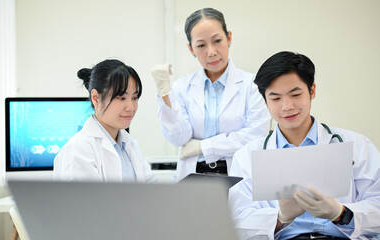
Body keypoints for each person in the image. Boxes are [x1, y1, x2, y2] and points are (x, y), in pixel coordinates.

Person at [228, 51, 380, 239]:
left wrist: (341, 213)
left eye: (295, 94)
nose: (287, 106)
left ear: (312, 90)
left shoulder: (358, 145)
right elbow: (238, 221)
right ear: (265, 101)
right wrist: (280, 218)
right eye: (276, 98)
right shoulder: (246, 157)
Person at [151, 8, 271, 180]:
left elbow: (255, 136)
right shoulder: (182, 87)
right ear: (191, 49)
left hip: (238, 176)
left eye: (217, 41)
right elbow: (179, 138)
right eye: (201, 45)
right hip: (193, 177)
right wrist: (164, 91)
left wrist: (203, 147)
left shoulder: (252, 85)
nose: (211, 52)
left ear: (229, 38)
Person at [53, 59, 156, 182]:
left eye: (134, 98)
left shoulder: (128, 144)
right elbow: (83, 200)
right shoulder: (78, 150)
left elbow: (150, 188)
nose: (131, 107)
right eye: (122, 98)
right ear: (96, 98)